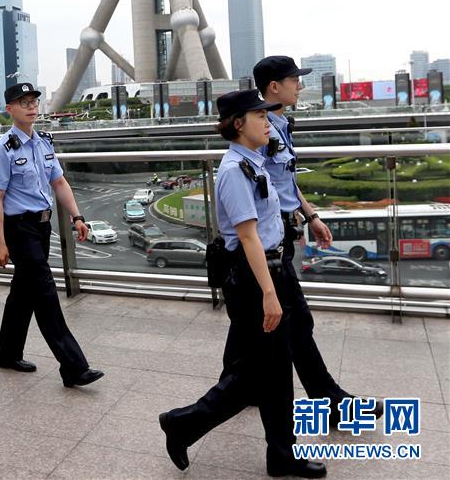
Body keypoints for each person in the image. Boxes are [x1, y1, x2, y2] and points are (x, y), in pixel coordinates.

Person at [158, 90, 326, 478]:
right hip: (254, 278)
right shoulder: (235, 171)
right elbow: (248, 237)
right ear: (238, 123)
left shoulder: (256, 160)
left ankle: (280, 454)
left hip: (270, 270)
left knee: (273, 370)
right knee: (257, 374)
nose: (268, 122)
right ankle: (183, 423)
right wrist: (269, 292)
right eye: (259, 116)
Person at [253, 55, 383, 424]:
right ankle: (332, 404)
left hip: (282, 230)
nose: (300, 86)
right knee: (295, 320)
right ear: (274, 86)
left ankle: (241, 389)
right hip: (271, 237)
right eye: (295, 79)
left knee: (255, 325)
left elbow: (285, 181)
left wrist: (311, 215)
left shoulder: (278, 124)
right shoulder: (261, 130)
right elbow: (258, 186)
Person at [0, 82, 103, 388]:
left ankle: (7, 354)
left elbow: (59, 183)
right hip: (19, 228)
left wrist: (77, 216)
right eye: (23, 102)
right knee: (45, 294)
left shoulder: (44, 143)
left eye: (34, 101)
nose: (31, 106)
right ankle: (73, 367)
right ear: (10, 109)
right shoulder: (2, 149)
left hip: (41, 226)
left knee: (23, 294)